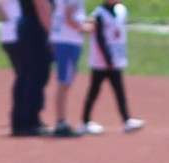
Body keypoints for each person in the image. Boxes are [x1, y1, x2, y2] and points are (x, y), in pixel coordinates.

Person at [81, 0, 144, 132]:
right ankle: (85, 122)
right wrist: (108, 60)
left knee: (119, 91)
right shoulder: (99, 14)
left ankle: (126, 120)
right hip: (101, 62)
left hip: (115, 60)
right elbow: (99, 39)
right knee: (94, 91)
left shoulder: (121, 10)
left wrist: (116, 58)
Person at [9, 0, 53, 136]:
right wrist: (52, 34)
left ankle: (20, 121)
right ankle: (30, 121)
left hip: (27, 25)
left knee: (25, 74)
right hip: (36, 27)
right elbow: (41, 7)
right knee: (36, 75)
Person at [47, 0, 88, 135]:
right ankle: (61, 122)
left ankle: (61, 121)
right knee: (64, 82)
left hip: (63, 39)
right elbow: (69, 19)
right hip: (68, 40)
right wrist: (86, 28)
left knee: (65, 82)